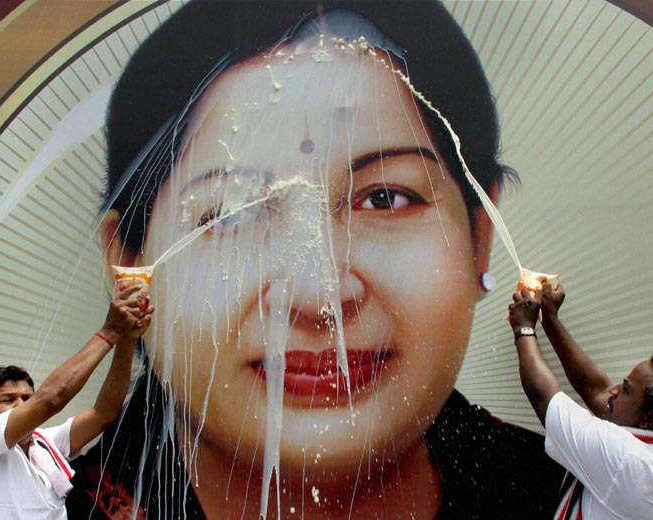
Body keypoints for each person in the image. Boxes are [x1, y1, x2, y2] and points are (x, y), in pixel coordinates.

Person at [66, 1, 564, 518]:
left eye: (384, 198)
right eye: (233, 214)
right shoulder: (48, 506)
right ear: (129, 264)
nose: (319, 294)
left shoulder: (562, 498)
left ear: (480, 233)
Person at [507, 283, 653, 519]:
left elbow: (543, 397)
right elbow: (597, 389)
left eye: (625, 390)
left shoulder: (630, 465)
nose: (613, 390)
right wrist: (550, 318)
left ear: (649, 418)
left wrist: (523, 328)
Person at [0, 283, 154, 519]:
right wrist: (109, 331)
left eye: (27, 398)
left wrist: (127, 340)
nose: (21, 405)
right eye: (8, 400)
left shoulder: (44, 444)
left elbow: (104, 414)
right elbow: (50, 401)